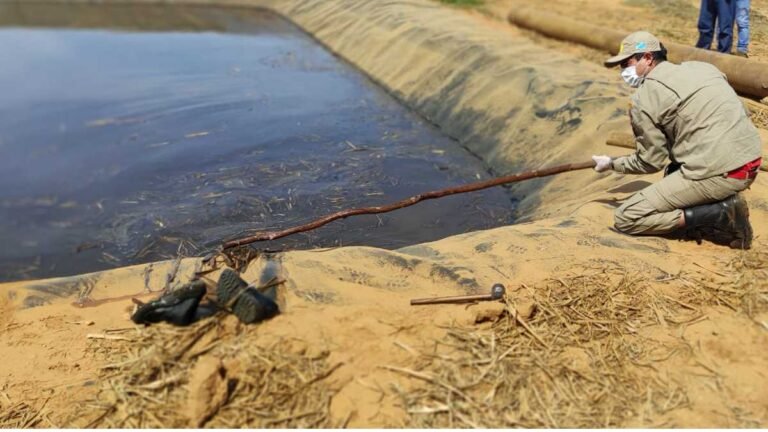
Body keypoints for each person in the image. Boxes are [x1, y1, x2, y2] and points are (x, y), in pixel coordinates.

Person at [592, 31, 762, 249]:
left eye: (627, 62)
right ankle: (715, 204)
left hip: (722, 174)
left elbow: (650, 162)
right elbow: (740, 110)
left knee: (627, 217)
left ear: (647, 57)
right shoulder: (702, 68)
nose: (624, 71)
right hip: (750, 160)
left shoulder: (643, 100)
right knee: (673, 171)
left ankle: (718, 213)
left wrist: (612, 163)